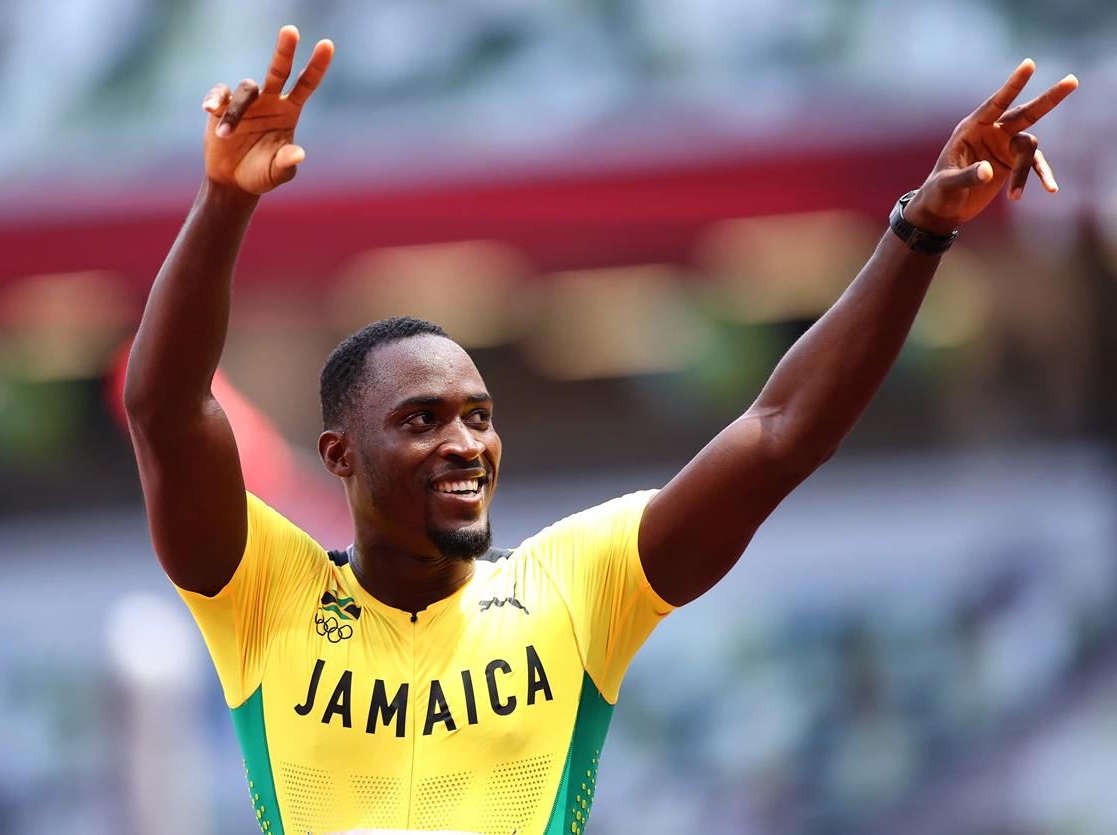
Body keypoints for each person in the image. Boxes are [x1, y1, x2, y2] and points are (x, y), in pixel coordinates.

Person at [122, 25, 1077, 835]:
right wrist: (224, 201)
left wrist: (921, 228)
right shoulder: (264, 594)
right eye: (421, 420)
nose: (465, 443)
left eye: (479, 418)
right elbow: (167, 411)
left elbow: (783, 431)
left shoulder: (574, 589)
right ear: (339, 454)